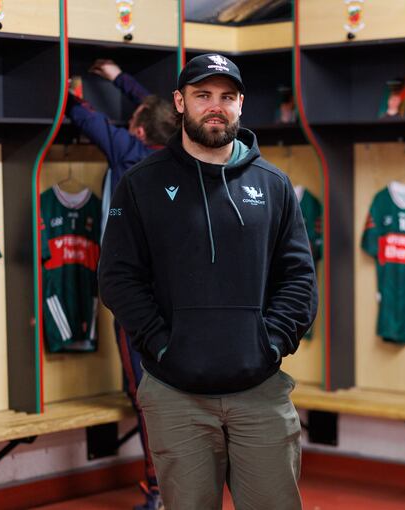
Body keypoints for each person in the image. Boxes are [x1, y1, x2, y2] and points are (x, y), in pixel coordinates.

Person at [98, 53, 317, 510]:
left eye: (226, 97)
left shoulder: (274, 184)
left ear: (241, 105)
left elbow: (298, 279)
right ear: (180, 102)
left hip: (259, 389)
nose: (215, 106)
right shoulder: (140, 184)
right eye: (202, 96)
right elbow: (117, 278)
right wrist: (161, 344)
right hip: (175, 393)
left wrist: (271, 342)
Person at [67, 59, 176, 510]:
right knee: (171, 393)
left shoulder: (127, 154)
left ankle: (159, 494)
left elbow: (77, 111)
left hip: (136, 300)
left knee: (145, 394)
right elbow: (161, 112)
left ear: (137, 132)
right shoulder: (178, 154)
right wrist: (118, 78)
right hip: (175, 295)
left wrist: (66, 78)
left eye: (131, 120)